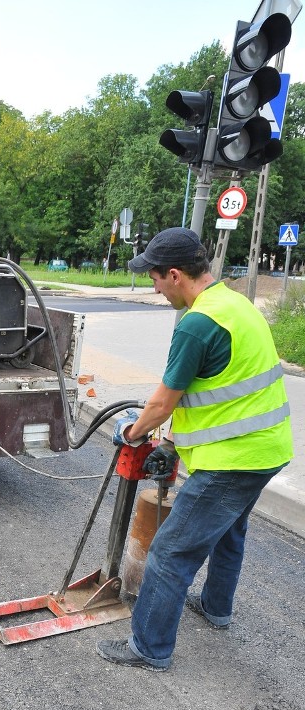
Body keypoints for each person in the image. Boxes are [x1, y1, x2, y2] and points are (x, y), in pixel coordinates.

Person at [96, 227, 293, 672]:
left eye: (154, 279)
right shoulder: (233, 304)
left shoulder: (197, 324)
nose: (154, 288)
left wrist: (132, 433)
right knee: (229, 532)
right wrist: (170, 441)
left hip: (234, 460)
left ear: (174, 274)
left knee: (170, 552)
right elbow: (216, 391)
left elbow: (164, 400)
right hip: (268, 449)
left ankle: (149, 648)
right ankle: (217, 608)